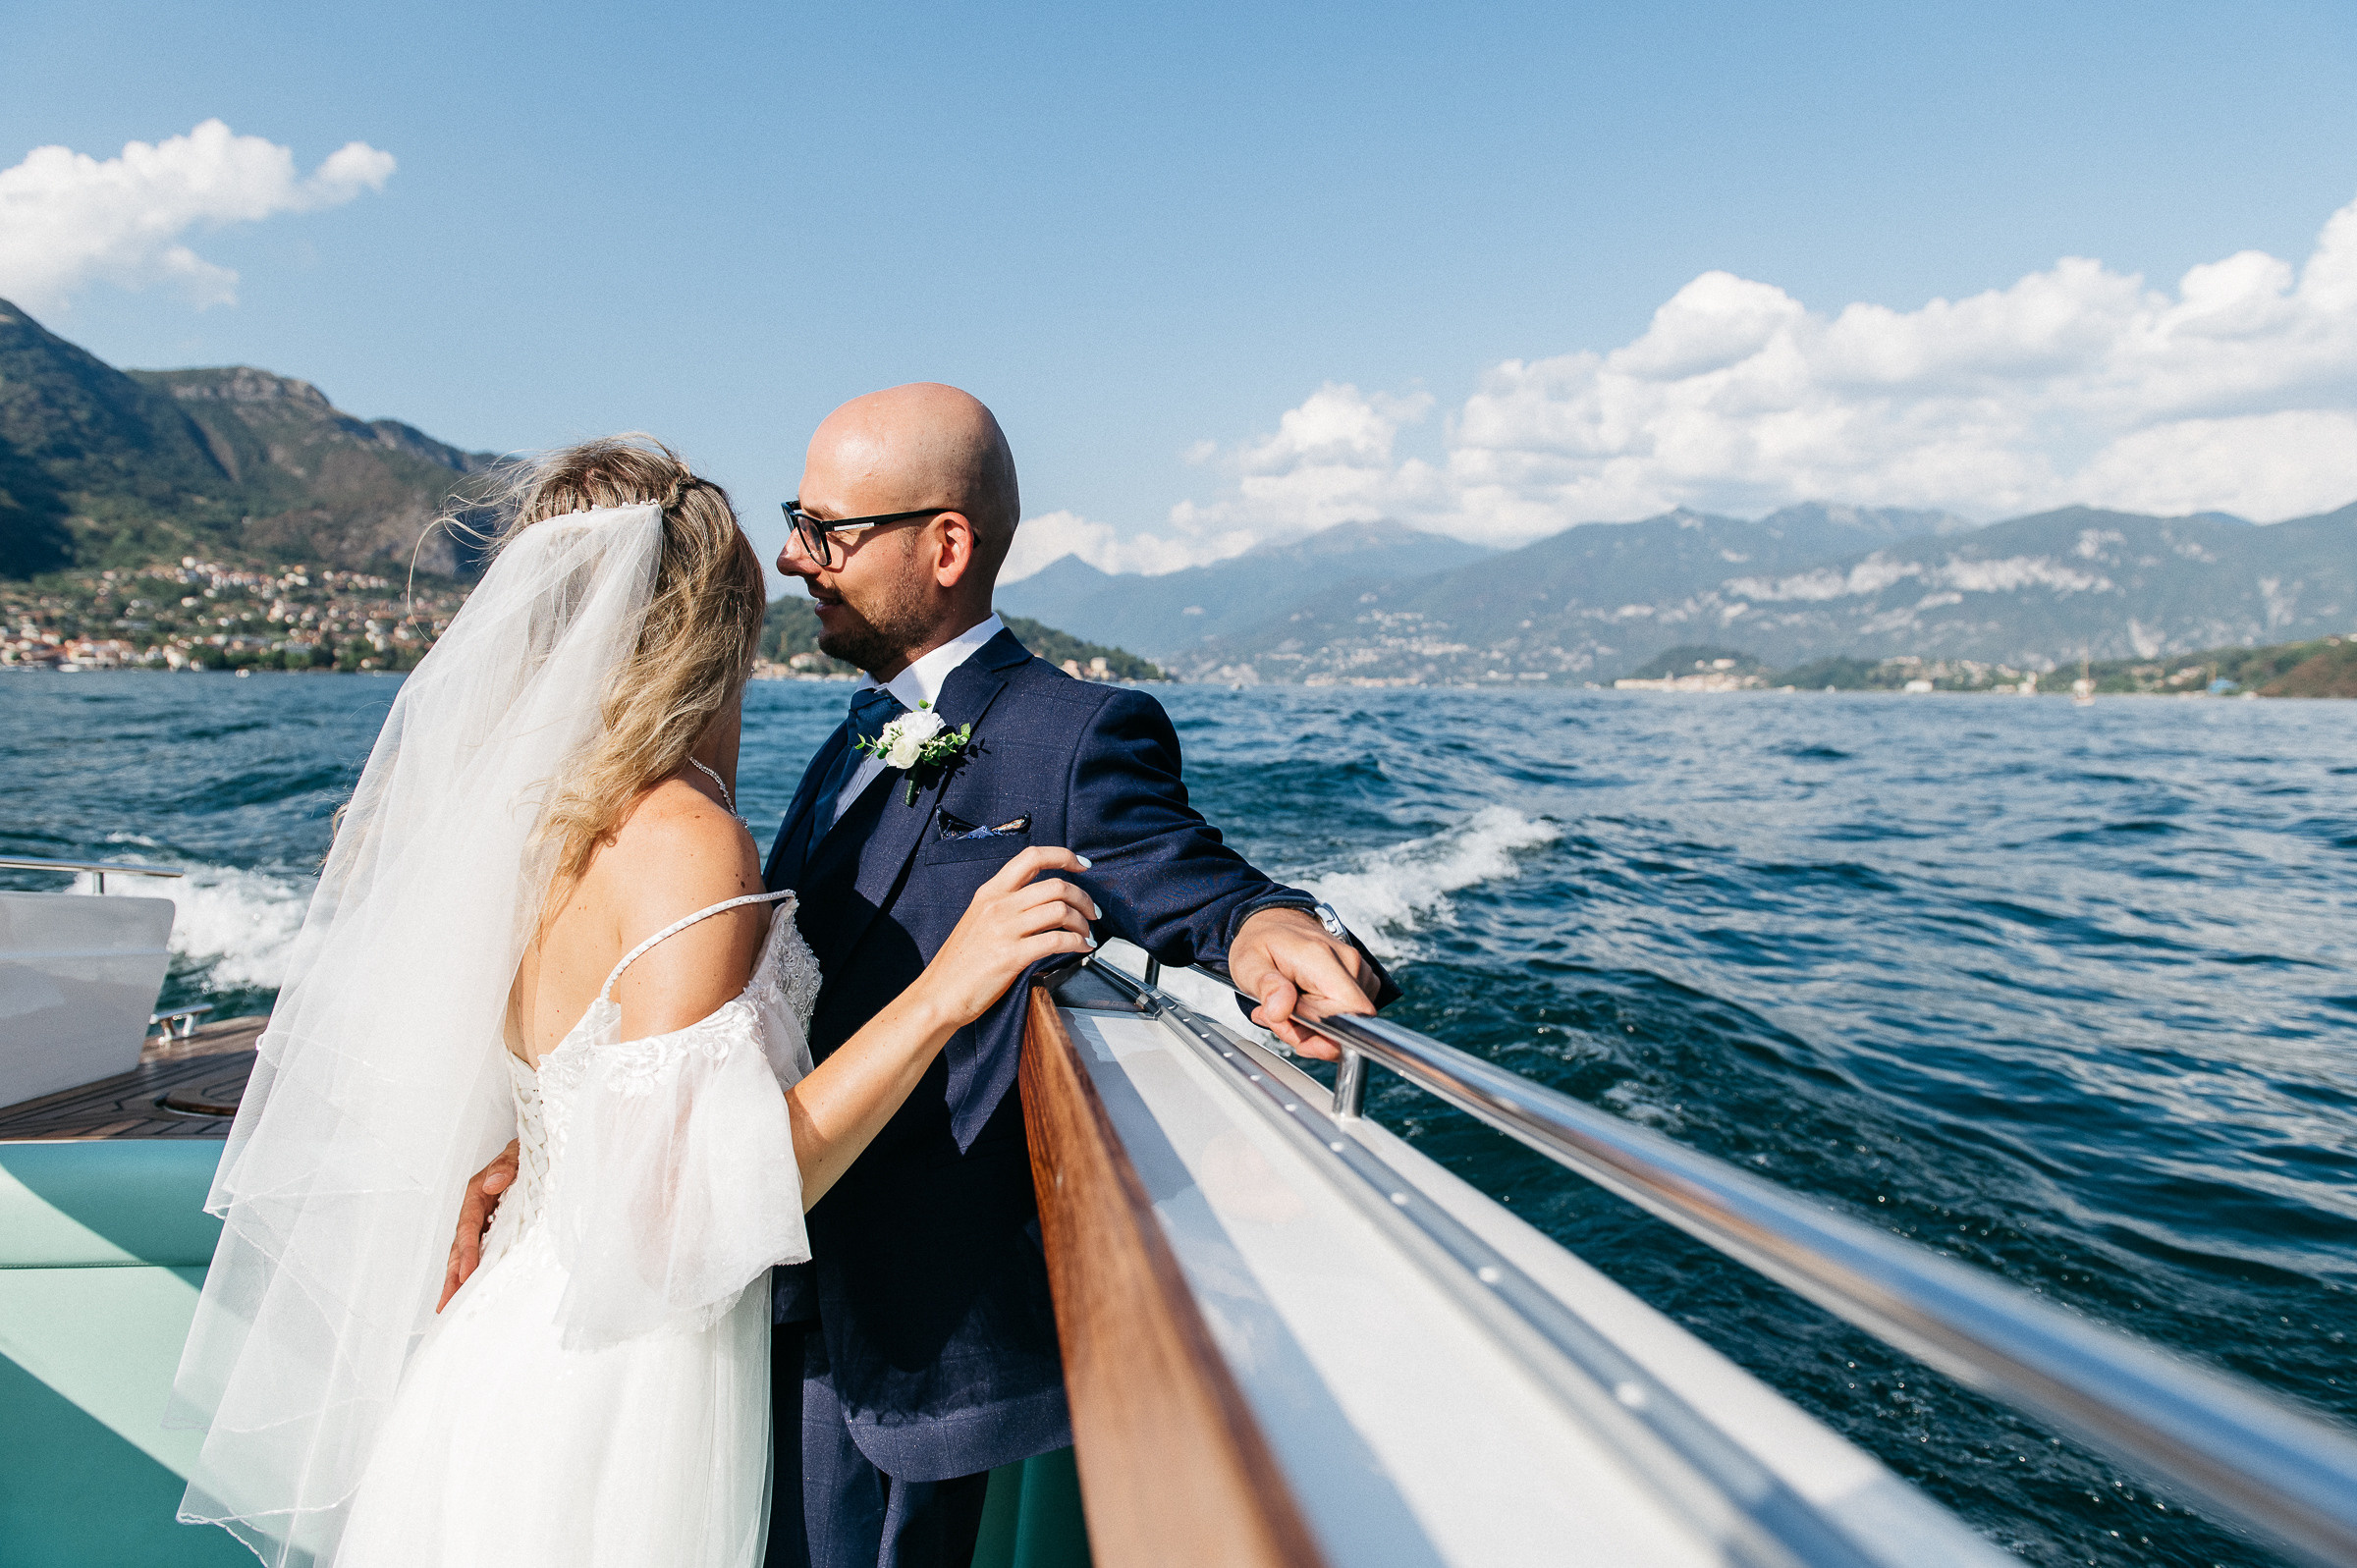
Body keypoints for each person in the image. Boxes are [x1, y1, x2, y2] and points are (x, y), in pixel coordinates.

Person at [446, 384, 1398, 1568]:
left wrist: (1262, 925)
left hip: (898, 1344)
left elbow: (1179, 868)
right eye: (798, 523)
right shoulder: (846, 739)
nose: (795, 557)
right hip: (738, 1295)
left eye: (828, 529)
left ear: (945, 545)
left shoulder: (1076, 734)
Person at [169, 438, 1096, 1568]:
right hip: (612, 1382)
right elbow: (680, 1219)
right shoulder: (682, 838)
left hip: (511, 1336)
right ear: (717, 627)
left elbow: (591, 1093)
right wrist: (945, 994)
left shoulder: (547, 824)